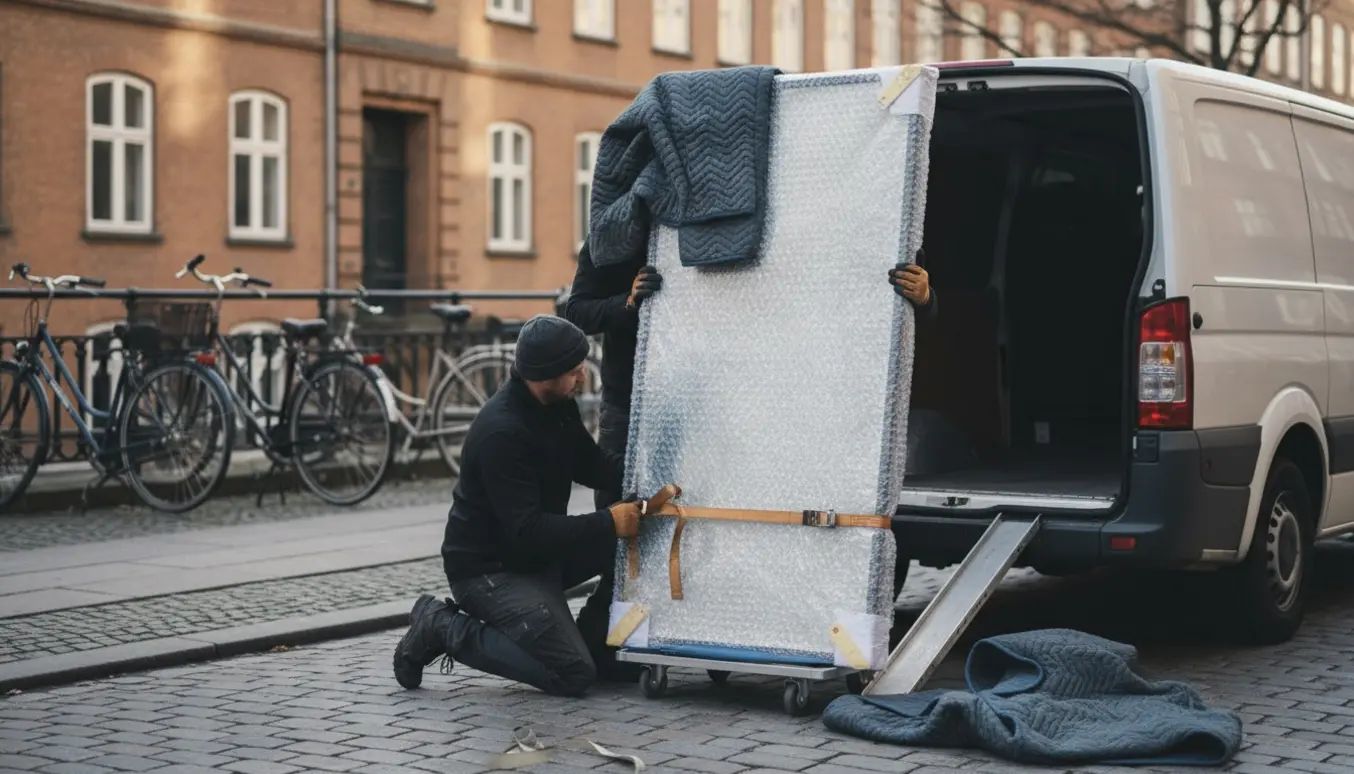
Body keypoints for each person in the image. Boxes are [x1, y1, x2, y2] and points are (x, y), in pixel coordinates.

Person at [391, 314, 643, 698]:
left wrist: (650, 476)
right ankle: (441, 626)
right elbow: (529, 531)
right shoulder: (502, 433)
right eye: (574, 371)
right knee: (573, 673)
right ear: (544, 375)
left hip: (536, 557)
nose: (583, 377)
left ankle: (598, 641)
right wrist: (609, 521)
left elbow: (591, 464)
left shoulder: (559, 405)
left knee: (631, 543)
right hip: (490, 573)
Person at [564, 244, 663, 512]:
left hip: (695, 392)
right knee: (615, 500)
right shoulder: (611, 233)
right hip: (625, 396)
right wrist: (627, 301)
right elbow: (577, 312)